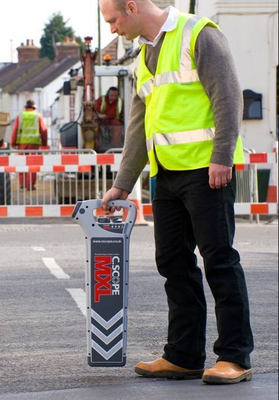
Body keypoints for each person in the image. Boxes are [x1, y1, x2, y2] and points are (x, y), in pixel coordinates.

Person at [100, 0, 254, 385]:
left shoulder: (198, 34)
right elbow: (139, 123)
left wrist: (221, 155)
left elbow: (229, 95)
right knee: (173, 263)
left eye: (114, 19)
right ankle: (183, 355)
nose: (113, 29)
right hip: (165, 173)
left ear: (132, 7)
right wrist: (123, 182)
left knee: (219, 261)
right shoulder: (143, 57)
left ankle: (235, 357)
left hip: (206, 170)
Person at [10, 100, 47, 190]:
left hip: (22, 144)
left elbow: (15, 130)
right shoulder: (37, 116)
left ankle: (22, 184)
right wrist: (44, 143)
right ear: (34, 108)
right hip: (34, 144)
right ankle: (30, 185)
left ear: (26, 107)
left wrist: (13, 142)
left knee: (22, 163)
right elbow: (43, 130)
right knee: (32, 164)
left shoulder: (20, 116)